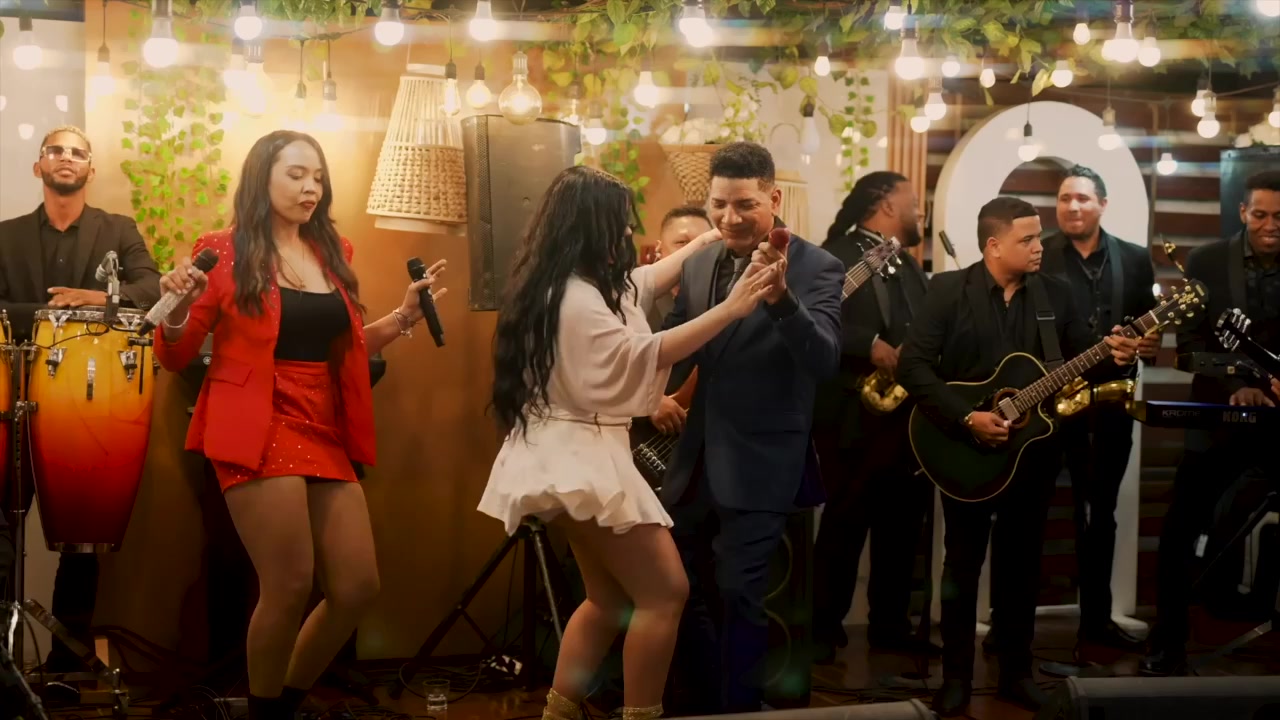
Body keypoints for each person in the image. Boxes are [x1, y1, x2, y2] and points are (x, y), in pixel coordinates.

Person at [152, 130, 445, 720]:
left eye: (317, 177)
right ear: (261, 176)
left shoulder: (333, 249)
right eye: (295, 174)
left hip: (322, 421)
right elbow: (175, 355)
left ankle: (282, 704)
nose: (310, 187)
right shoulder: (223, 250)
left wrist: (404, 316)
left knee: (356, 587)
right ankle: (266, 712)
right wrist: (178, 304)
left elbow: (349, 348)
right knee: (288, 584)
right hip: (255, 421)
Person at [478, 165, 777, 720]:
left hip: (567, 456)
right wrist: (731, 309)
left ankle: (558, 714)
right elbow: (642, 353)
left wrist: (712, 235)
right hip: (582, 459)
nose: (626, 232)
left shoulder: (570, 284)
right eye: (619, 221)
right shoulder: (575, 299)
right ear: (592, 225)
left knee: (608, 599)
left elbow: (649, 279)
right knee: (666, 594)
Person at [897, 196, 1138, 715]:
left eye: (1038, 237)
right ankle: (956, 679)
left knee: (1022, 566)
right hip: (962, 450)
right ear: (993, 245)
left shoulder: (1056, 293)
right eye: (1026, 239)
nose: (1039, 247)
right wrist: (967, 418)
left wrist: (1116, 355)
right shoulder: (947, 290)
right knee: (962, 565)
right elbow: (912, 367)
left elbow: (1085, 361)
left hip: (1033, 455)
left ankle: (1015, 673)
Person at [661, 142, 844, 715]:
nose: (729, 217)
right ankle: (703, 701)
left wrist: (782, 300)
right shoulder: (697, 263)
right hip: (693, 463)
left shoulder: (818, 266)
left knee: (740, 594)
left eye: (745, 204)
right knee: (674, 586)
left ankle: (738, 709)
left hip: (762, 464)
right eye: (719, 204)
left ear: (774, 199)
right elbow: (677, 347)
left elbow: (824, 361)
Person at [0, 125, 162, 680]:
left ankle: (66, 667)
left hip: (87, 396)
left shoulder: (118, 230)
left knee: (83, 536)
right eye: (56, 150)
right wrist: (46, 315)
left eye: (77, 152)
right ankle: (5, 664)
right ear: (38, 166)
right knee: (3, 521)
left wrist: (101, 297)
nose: (66, 158)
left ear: (91, 169)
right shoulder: (6, 235)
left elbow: (151, 289)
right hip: (11, 389)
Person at [990, 166, 1156, 654]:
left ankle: (1096, 624)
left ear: (1103, 204)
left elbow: (1147, 331)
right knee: (1022, 514)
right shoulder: (1036, 253)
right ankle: (1006, 626)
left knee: (1101, 515)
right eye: (1064, 198)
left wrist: (1146, 346)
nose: (1072, 207)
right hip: (1045, 409)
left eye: (1082, 198)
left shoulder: (1135, 259)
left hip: (1110, 406)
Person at [1141, 169, 1280, 676]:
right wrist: (1237, 384)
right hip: (1217, 418)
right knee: (1181, 527)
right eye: (1260, 214)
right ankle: (1167, 643)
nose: (1270, 225)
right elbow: (1190, 347)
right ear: (1242, 212)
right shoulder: (1205, 261)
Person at [810, 171, 934, 662]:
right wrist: (869, 345)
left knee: (901, 526)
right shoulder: (836, 256)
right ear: (886, 205)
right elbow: (807, 320)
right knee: (844, 522)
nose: (919, 211)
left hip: (904, 419)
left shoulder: (907, 263)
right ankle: (821, 629)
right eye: (913, 201)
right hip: (850, 416)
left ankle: (890, 626)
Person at [643, 205, 715, 439]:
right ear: (659, 249)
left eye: (705, 243)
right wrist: (649, 400)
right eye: (683, 243)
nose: (694, 251)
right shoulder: (635, 300)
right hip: (639, 437)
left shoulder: (718, 301)